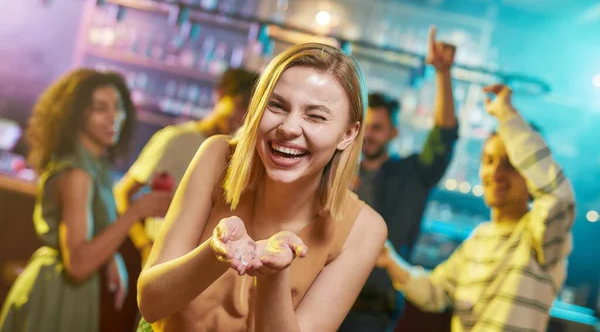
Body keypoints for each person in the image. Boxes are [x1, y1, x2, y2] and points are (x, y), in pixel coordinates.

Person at [135, 42, 388, 332]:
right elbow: (151, 304)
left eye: (315, 116)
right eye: (277, 105)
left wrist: (274, 275)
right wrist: (216, 253)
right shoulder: (217, 157)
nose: (289, 128)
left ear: (348, 134)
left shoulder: (364, 229)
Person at [377, 84, 575, 332]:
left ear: (530, 174)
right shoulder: (480, 238)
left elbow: (557, 196)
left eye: (510, 164)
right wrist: (389, 259)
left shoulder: (541, 237)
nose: (496, 173)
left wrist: (507, 117)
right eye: (489, 161)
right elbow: (435, 292)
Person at [0, 69, 172, 332]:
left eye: (118, 107)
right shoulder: (78, 174)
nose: (113, 116)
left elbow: (90, 234)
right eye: (100, 108)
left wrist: (110, 256)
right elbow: (78, 264)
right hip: (55, 295)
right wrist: (136, 211)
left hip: (70, 294)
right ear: (75, 114)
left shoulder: (93, 167)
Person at [339, 26, 459, 332]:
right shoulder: (337, 171)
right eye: (366, 126)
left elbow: (444, 137)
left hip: (374, 308)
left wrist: (443, 74)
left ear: (393, 132)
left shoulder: (412, 175)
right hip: (326, 294)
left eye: (378, 128)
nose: (369, 136)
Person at [114, 68, 258, 264]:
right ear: (221, 95)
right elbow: (122, 194)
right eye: (240, 105)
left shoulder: (238, 158)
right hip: (154, 253)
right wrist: (143, 244)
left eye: (251, 111)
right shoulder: (176, 139)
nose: (243, 116)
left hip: (195, 262)